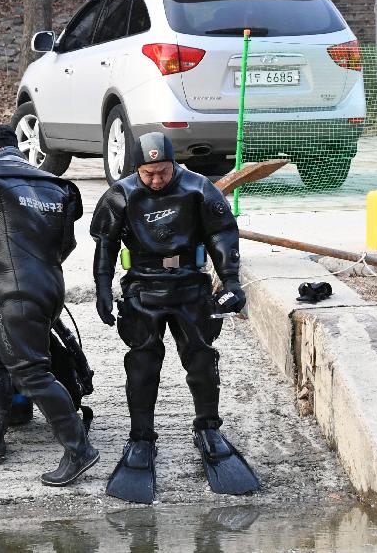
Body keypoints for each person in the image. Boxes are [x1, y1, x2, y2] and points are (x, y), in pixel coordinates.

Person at [89, 132, 257, 503]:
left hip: (190, 287)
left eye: (163, 172)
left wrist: (231, 281)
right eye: (149, 174)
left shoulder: (199, 189)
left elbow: (223, 236)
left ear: (173, 165)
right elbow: (105, 244)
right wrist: (102, 287)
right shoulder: (121, 194)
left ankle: (208, 428)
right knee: (143, 365)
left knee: (201, 361)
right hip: (143, 289)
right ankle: (141, 436)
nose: (156, 180)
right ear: (137, 168)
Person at [0, 124, 99, 486]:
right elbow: (67, 244)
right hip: (48, 285)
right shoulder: (52, 182)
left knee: (31, 371)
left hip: (14, 291)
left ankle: (79, 449)